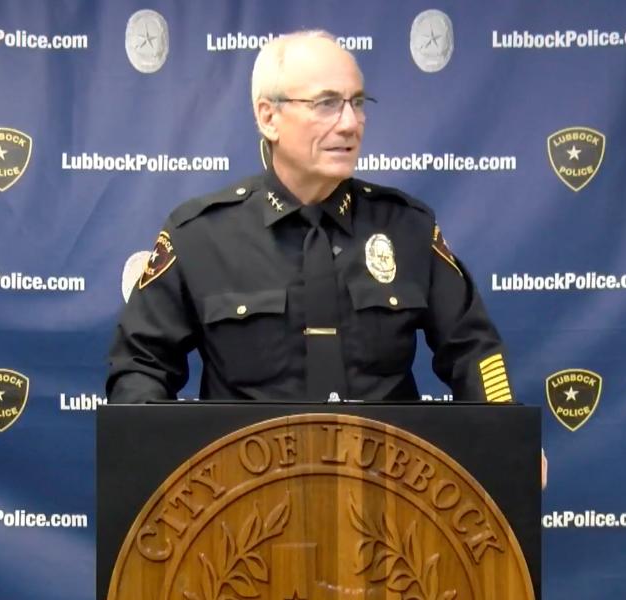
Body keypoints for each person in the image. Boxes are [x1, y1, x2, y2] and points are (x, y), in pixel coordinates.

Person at [106, 30, 513, 405]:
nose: (351, 123)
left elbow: (475, 351)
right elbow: (140, 366)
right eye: (327, 104)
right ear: (269, 117)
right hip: (246, 478)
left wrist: (505, 440)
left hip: (387, 475)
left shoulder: (408, 227)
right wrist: (154, 460)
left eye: (357, 103)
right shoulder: (199, 235)